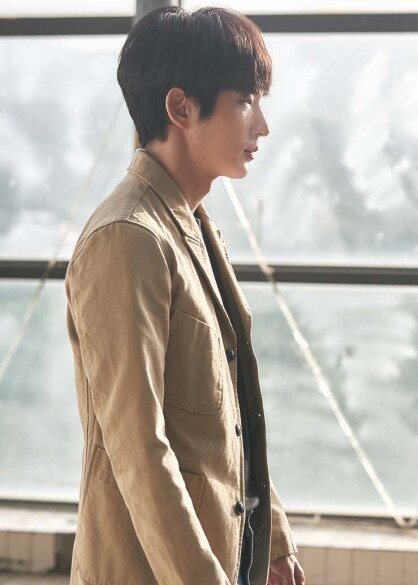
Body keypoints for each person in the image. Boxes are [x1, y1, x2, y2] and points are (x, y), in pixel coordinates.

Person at [65, 7, 304, 585]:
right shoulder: (128, 239)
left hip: (220, 554)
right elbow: (138, 449)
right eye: (245, 101)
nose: (263, 126)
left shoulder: (192, 226)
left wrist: (271, 538)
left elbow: (228, 421)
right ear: (181, 108)